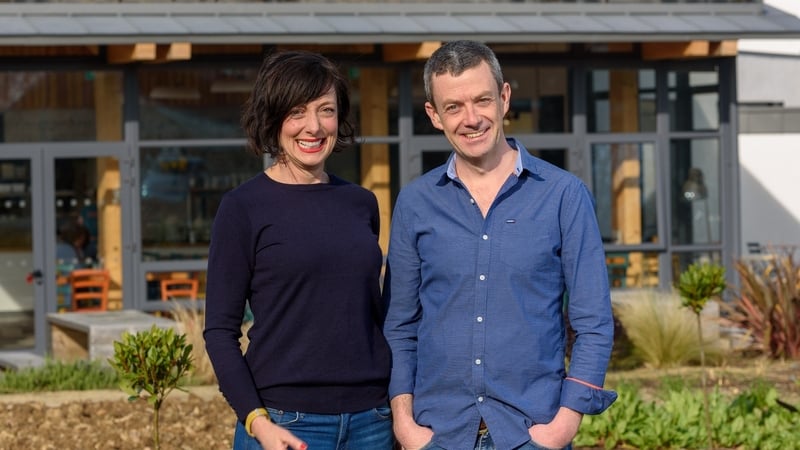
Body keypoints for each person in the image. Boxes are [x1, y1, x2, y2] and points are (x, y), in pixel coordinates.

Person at [382, 40, 617, 450]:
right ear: (434, 115)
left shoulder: (564, 195)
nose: (471, 119)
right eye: (453, 107)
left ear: (504, 98)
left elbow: (594, 322)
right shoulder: (416, 202)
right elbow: (399, 326)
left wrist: (563, 425)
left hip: (533, 432)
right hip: (438, 435)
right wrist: (404, 422)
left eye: (482, 100)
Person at [204, 50, 393, 450]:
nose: (314, 126)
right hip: (285, 422)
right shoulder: (243, 208)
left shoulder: (361, 202)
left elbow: (374, 317)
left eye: (326, 110)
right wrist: (257, 421)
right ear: (273, 121)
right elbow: (220, 332)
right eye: (297, 112)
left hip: (372, 421)